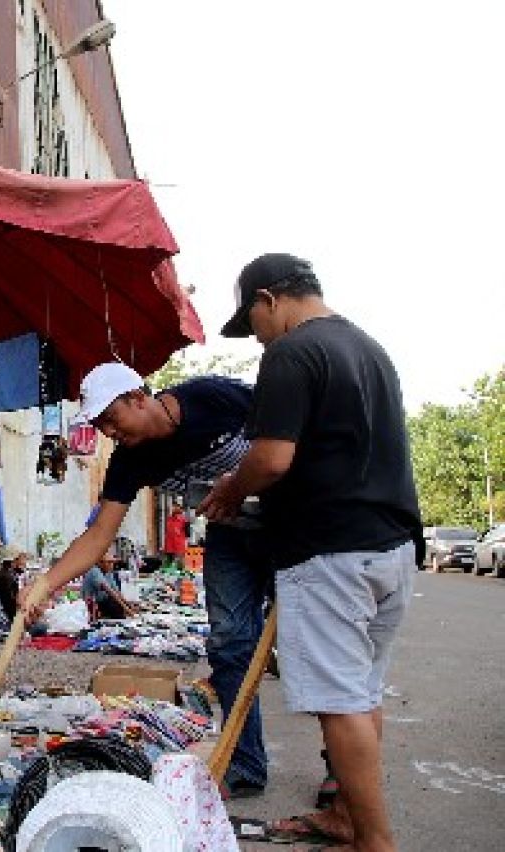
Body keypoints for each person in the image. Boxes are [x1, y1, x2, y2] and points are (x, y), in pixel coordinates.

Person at [202, 253, 421, 852]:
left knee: (340, 704)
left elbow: (272, 458)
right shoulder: (369, 349)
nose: (257, 338)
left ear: (269, 299)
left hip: (331, 551)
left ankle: (374, 841)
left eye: (253, 322)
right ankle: (349, 818)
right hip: (390, 547)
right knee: (362, 694)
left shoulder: (292, 353)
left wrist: (231, 489)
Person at [19, 361, 271, 797]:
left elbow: (287, 430)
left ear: (138, 398)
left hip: (288, 521)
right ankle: (245, 765)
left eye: (111, 420)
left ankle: (340, 771)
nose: (109, 433)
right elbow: (99, 534)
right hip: (230, 532)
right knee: (229, 643)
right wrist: (45, 583)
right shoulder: (129, 461)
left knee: (312, 643)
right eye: (100, 426)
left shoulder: (213, 397)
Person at [163, 502, 190, 572]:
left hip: (179, 547)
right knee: (167, 567)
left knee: (180, 567)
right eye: (173, 506)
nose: (173, 508)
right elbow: (167, 533)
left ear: (180, 508)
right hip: (169, 547)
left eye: (175, 506)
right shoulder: (169, 519)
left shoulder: (184, 520)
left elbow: (187, 533)